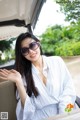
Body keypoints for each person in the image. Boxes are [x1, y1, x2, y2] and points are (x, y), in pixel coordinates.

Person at [0, 32, 76, 120]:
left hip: (66, 110)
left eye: (32, 45)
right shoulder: (23, 75)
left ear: (38, 43)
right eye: (25, 50)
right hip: (40, 117)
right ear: (21, 54)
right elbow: (28, 109)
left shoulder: (57, 61)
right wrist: (19, 82)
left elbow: (69, 90)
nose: (31, 52)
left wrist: (64, 115)